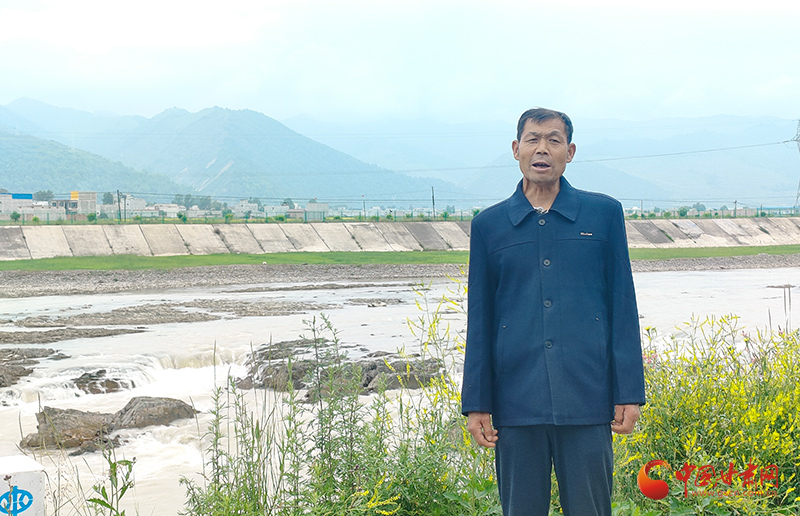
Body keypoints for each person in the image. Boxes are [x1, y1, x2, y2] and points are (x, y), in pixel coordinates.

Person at [461, 107, 646, 516]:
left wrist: (629, 392)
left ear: (570, 152)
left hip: (588, 398)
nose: (542, 149)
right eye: (533, 139)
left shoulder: (603, 215)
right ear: (516, 149)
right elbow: (481, 321)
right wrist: (477, 403)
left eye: (553, 140)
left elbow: (622, 306)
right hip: (515, 402)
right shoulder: (489, 226)